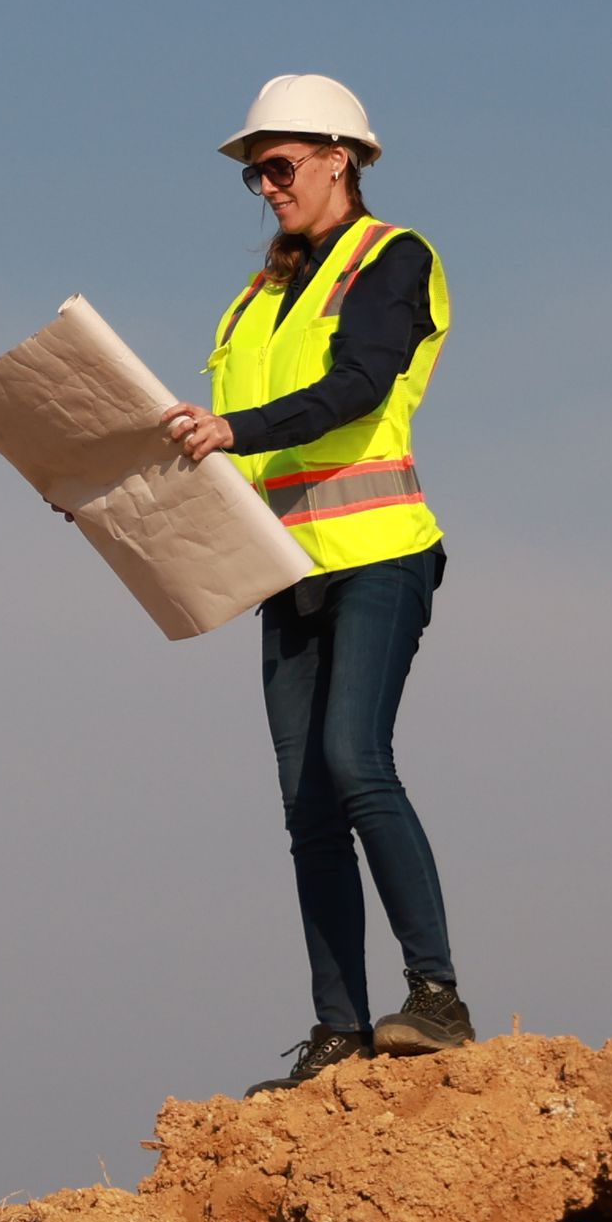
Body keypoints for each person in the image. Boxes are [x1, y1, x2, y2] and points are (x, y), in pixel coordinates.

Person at [157, 72, 473, 1088]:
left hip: (378, 552)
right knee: (305, 803)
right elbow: (223, 457)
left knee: (354, 758)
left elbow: (357, 388)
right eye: (255, 172)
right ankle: (338, 1026)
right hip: (283, 569)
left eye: (279, 164)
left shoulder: (395, 259)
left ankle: (437, 999)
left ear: (342, 158)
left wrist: (236, 430)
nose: (266, 185)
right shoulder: (254, 299)